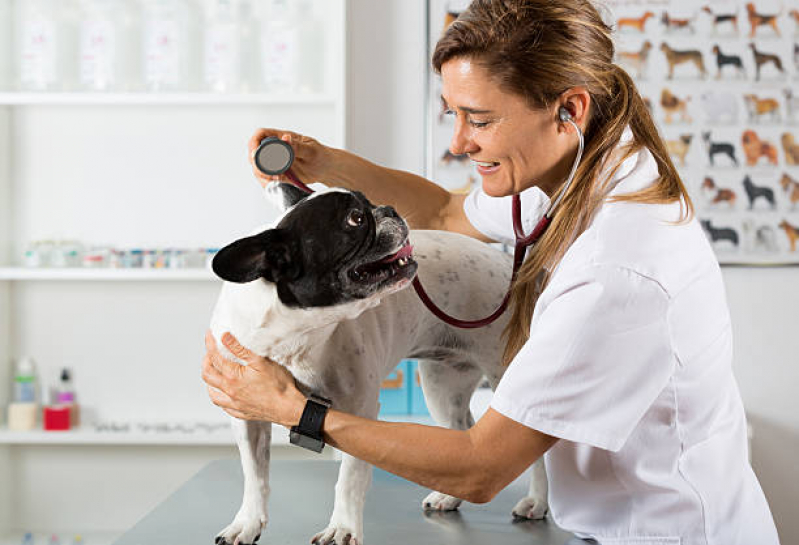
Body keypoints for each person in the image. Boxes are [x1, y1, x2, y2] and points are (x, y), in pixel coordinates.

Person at [201, 0, 780, 543]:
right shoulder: (581, 166)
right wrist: (325, 162)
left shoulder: (617, 271)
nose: (458, 142)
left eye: (478, 119)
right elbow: (446, 213)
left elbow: (481, 468)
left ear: (568, 109)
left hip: (665, 532)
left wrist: (292, 410)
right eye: (452, 115)